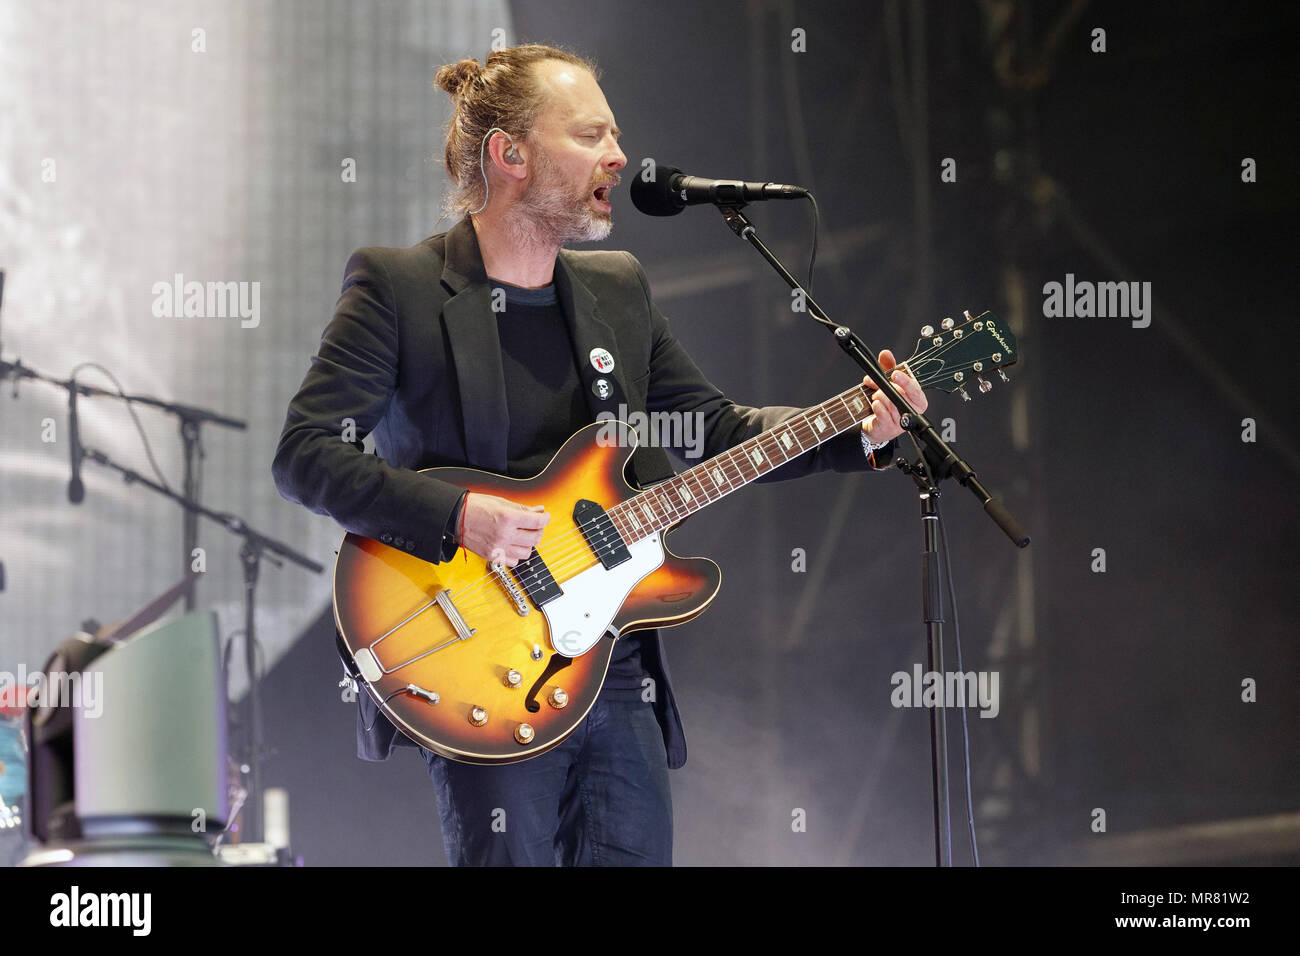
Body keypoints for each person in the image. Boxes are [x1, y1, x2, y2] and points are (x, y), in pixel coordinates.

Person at [271, 43, 927, 866]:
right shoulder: (398, 286)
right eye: (588, 136)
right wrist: (458, 516)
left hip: (612, 666)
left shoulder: (616, 287)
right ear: (509, 155)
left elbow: (715, 430)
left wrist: (857, 428)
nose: (618, 155)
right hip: (481, 651)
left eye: (613, 135)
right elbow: (305, 452)